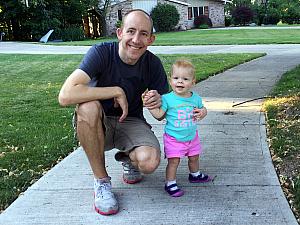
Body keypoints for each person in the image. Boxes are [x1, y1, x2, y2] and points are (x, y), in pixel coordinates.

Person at [58, 9, 170, 215]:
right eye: (131, 31)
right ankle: (102, 182)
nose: (136, 40)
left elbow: (161, 114)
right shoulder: (101, 53)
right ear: (119, 33)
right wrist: (115, 91)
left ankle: (129, 157)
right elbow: (65, 95)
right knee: (88, 106)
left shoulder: (153, 64)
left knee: (150, 162)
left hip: (131, 121)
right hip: (98, 122)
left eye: (144, 34)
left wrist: (158, 103)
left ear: (151, 39)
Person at [143, 59, 212, 197]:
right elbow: (159, 114)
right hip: (174, 138)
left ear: (193, 82)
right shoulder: (167, 99)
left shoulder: (196, 98)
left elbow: (202, 109)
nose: (180, 82)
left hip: (192, 137)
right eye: (176, 78)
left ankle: (195, 174)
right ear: (170, 80)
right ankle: (170, 183)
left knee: (194, 158)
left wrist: (203, 112)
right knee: (174, 162)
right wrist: (149, 106)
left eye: (185, 79)